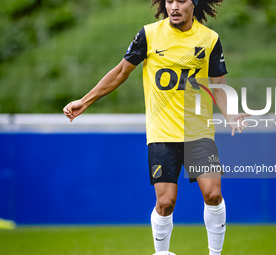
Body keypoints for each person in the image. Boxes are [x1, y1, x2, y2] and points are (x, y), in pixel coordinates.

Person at [63, 0, 249, 254]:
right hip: (162, 133)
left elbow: (218, 83)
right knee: (166, 202)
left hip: (199, 133)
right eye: (169, 1)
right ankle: (161, 253)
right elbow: (120, 72)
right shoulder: (149, 35)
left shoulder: (209, 39)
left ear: (193, 4)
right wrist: (84, 101)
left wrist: (231, 114)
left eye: (180, 1)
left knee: (213, 194)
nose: (173, 6)